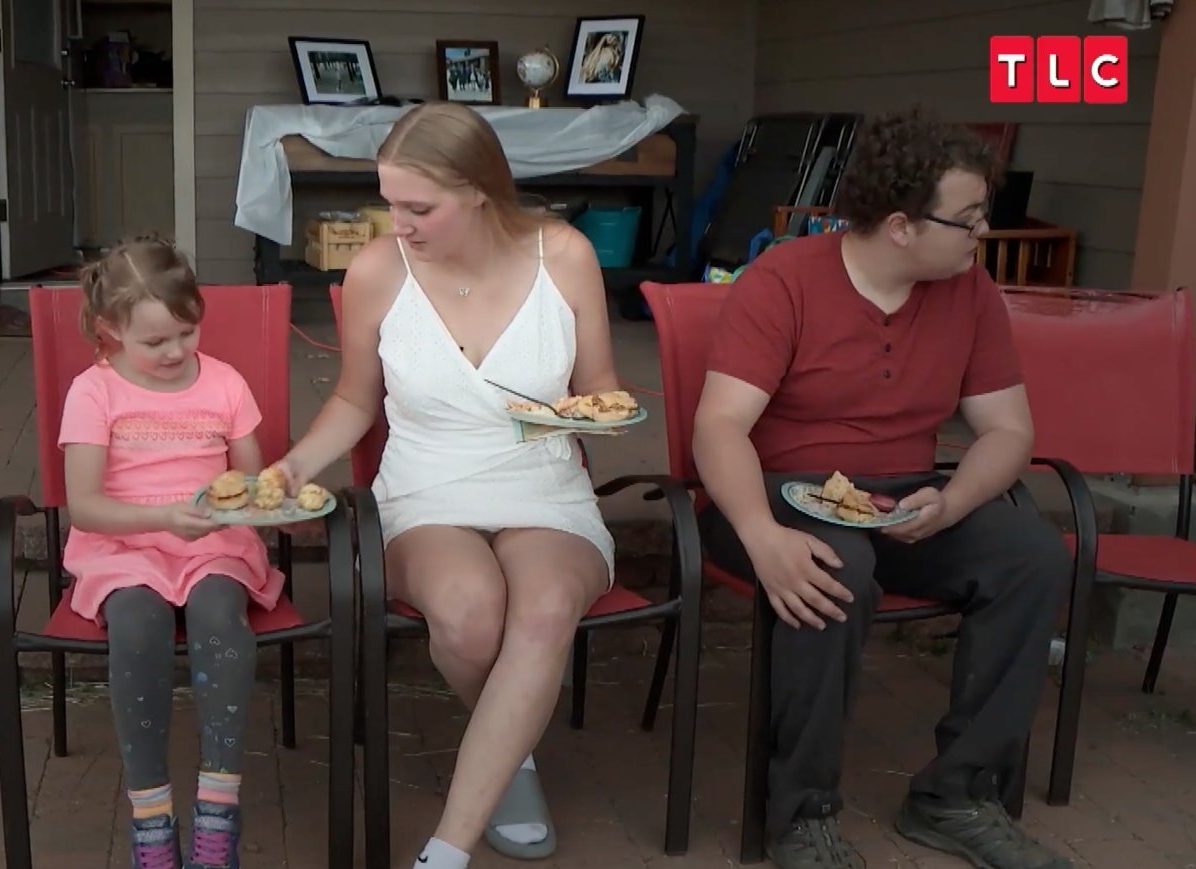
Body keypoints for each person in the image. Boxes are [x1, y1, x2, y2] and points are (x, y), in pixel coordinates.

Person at [692, 108, 1072, 869]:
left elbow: (1008, 432)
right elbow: (720, 427)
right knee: (832, 568)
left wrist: (955, 499)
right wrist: (763, 537)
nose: (982, 232)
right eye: (967, 219)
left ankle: (956, 793)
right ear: (901, 225)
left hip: (904, 498)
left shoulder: (969, 292)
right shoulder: (785, 282)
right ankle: (801, 814)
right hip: (775, 496)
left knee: (1030, 554)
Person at [275, 102, 621, 868]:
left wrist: (594, 415)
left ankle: (446, 849)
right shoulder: (376, 269)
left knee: (545, 607)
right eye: (389, 202)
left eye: (417, 207)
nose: (398, 223)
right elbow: (356, 399)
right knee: (468, 616)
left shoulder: (562, 255)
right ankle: (513, 758)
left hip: (543, 481)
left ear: (479, 191)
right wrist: (297, 465)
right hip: (427, 485)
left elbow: (599, 387)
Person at [60, 236, 286, 869]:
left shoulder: (224, 383)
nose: (175, 352)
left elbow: (250, 481)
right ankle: (151, 817)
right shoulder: (94, 392)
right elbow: (84, 506)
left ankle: (217, 812)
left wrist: (261, 504)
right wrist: (161, 517)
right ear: (110, 331)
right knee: (136, 624)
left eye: (185, 333)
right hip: (124, 542)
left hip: (212, 539)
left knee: (220, 616)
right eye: (153, 342)